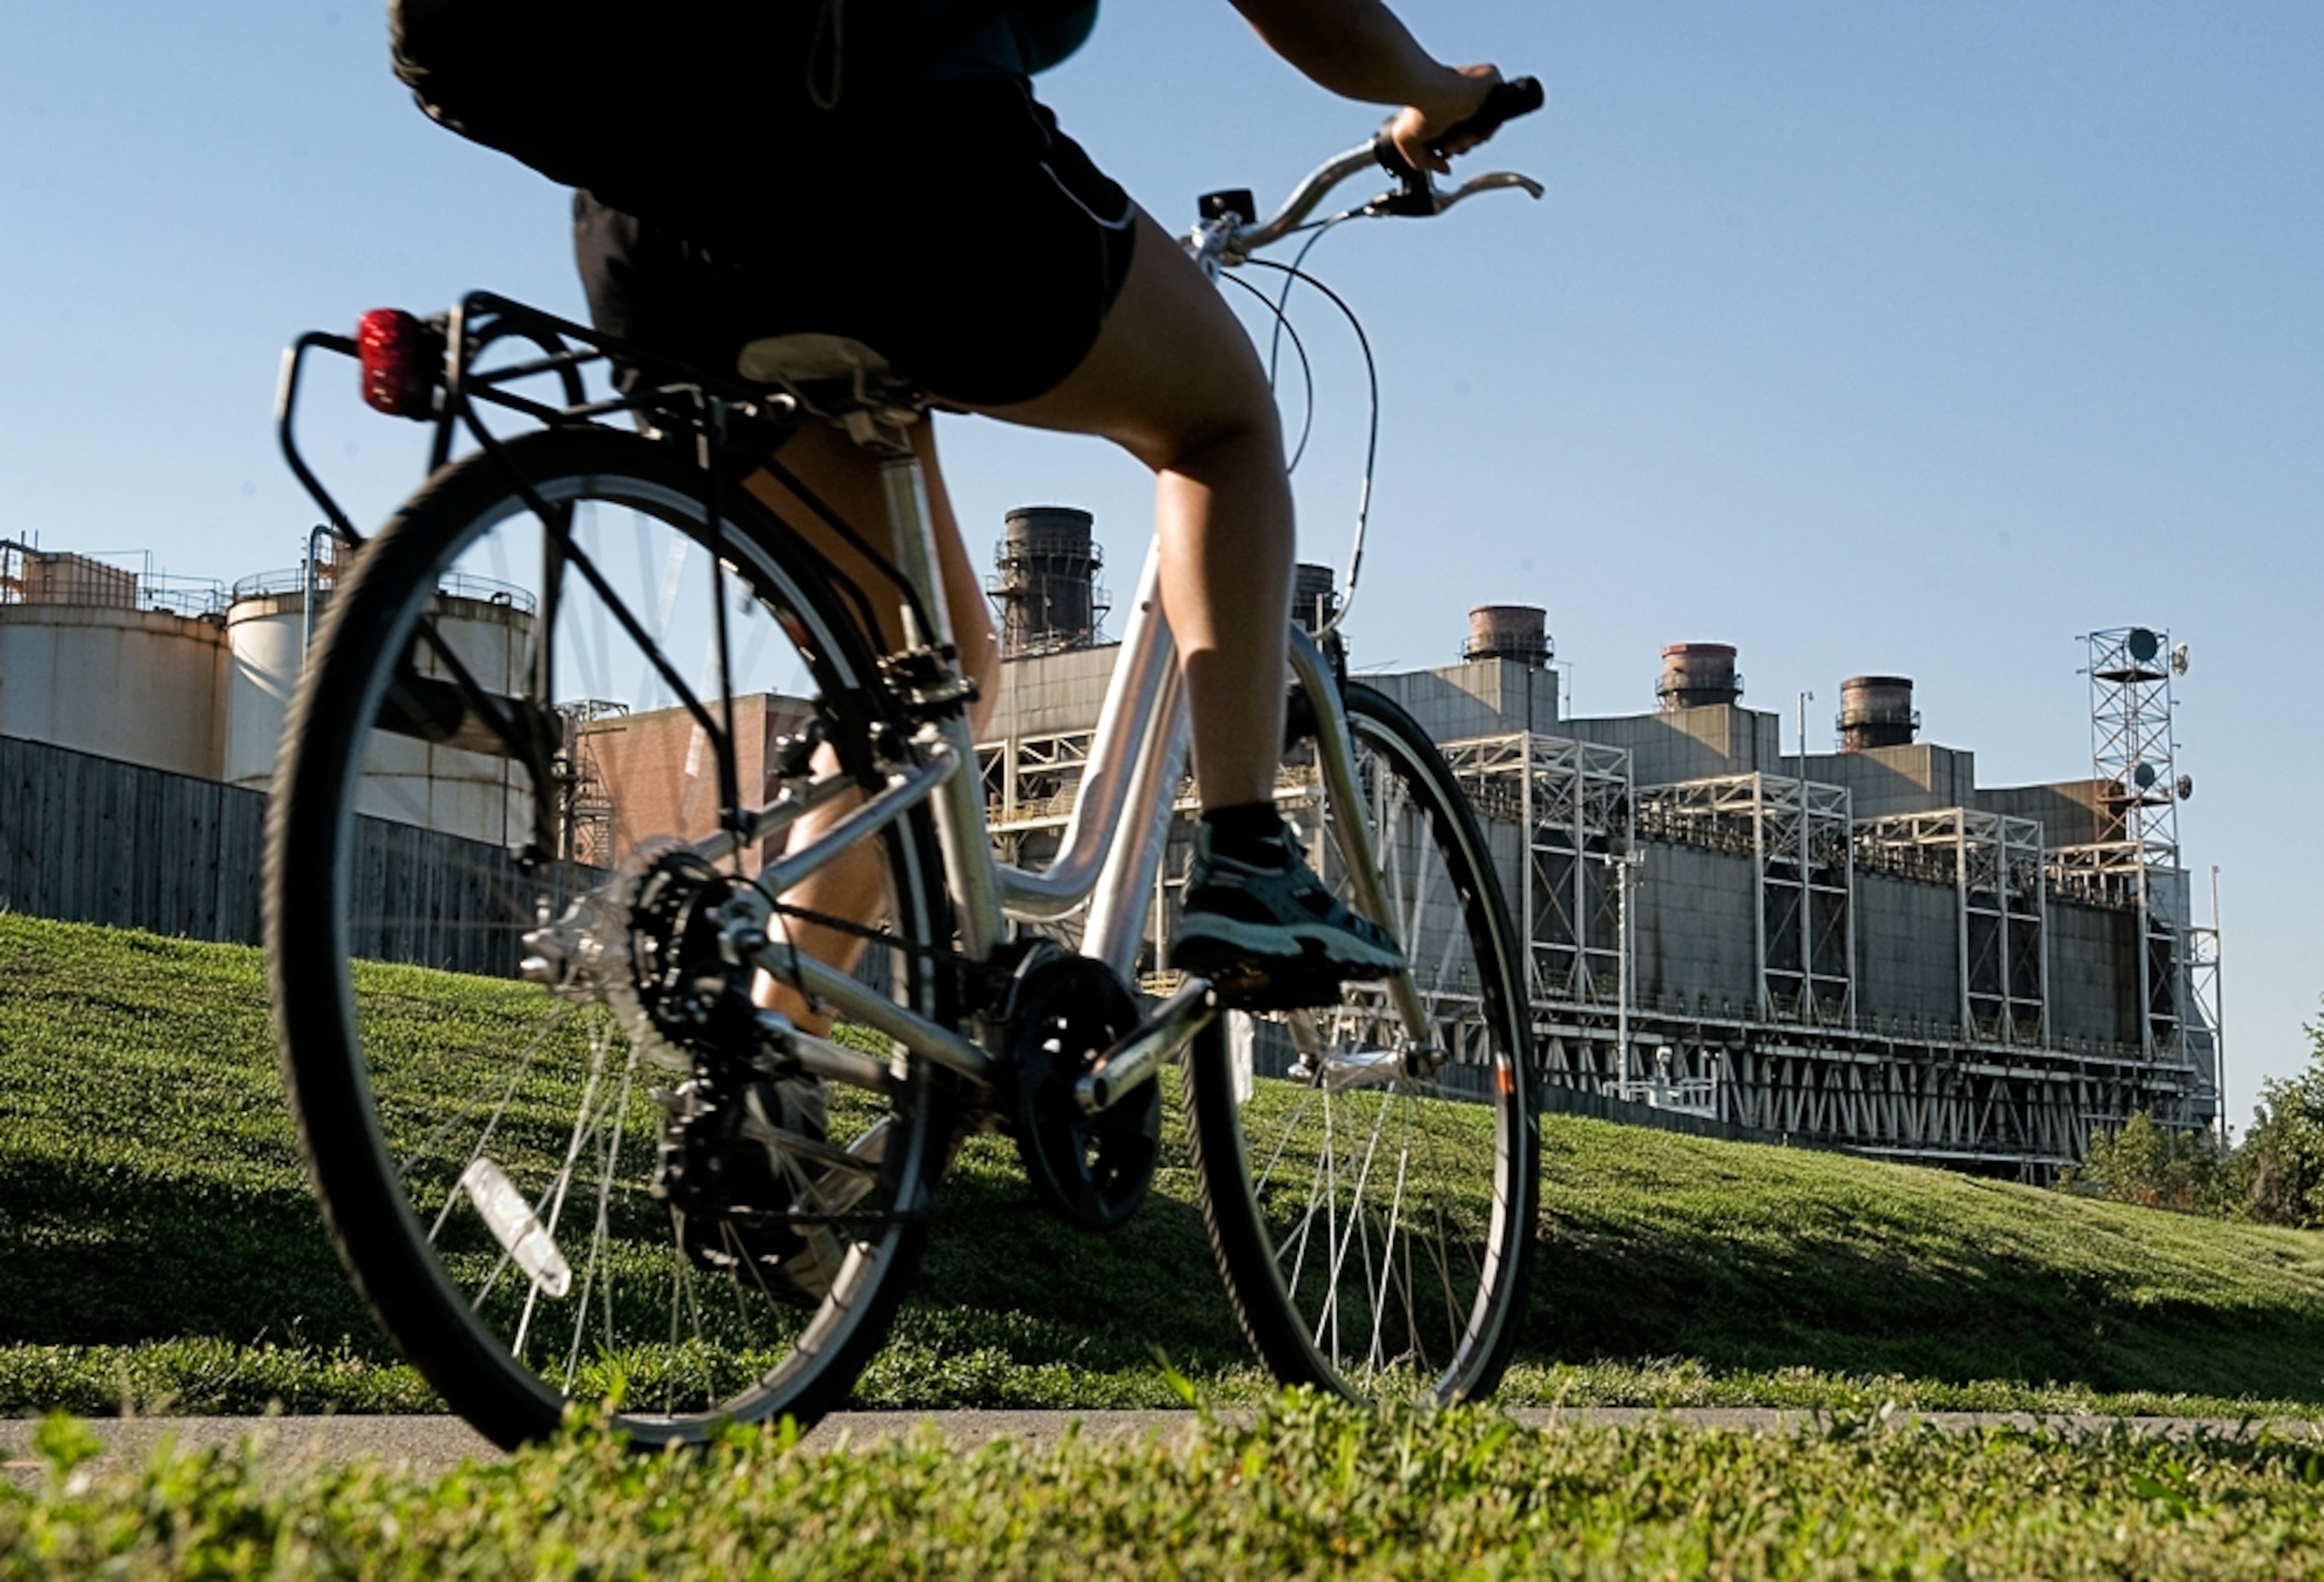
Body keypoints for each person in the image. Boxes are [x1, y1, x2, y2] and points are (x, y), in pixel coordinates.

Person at [391, 0, 1514, 1005]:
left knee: (918, 682)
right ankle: (1246, 853)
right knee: (1223, 425)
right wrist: (1440, 95)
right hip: (910, 174)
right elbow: (1313, 12)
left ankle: (774, 1083)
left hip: (658, 243)